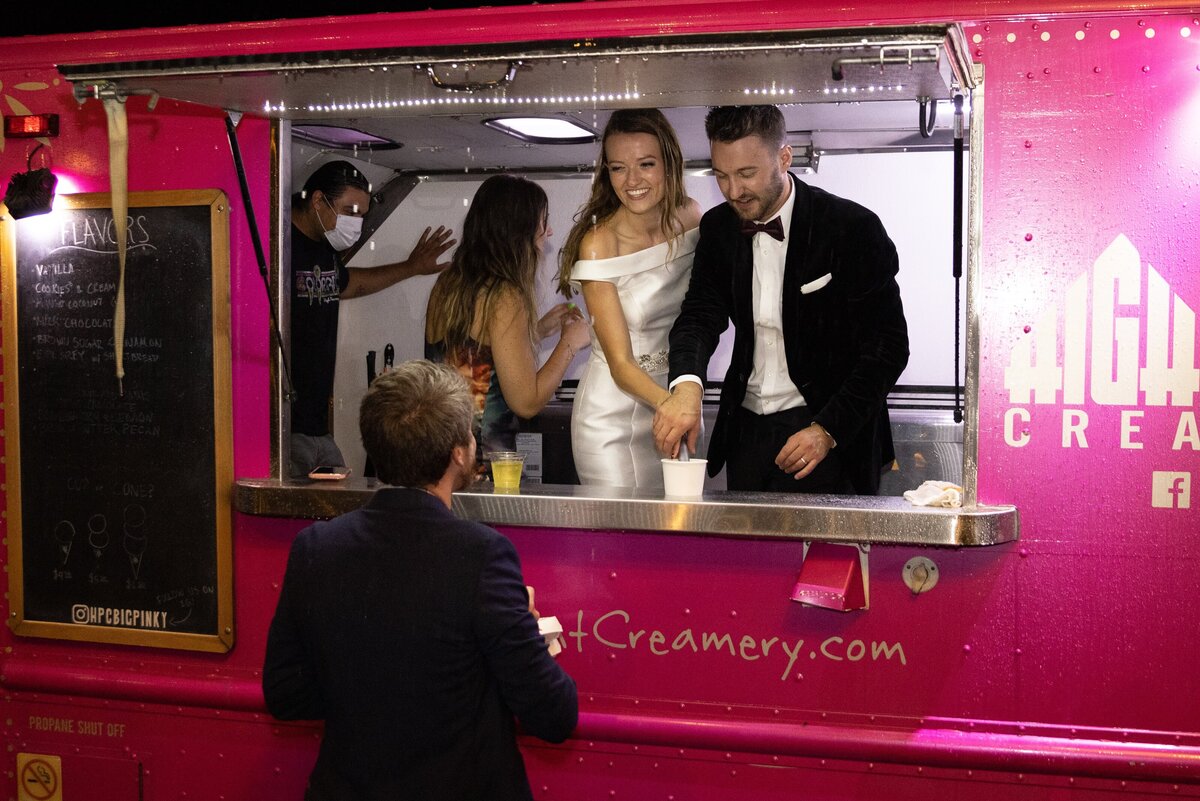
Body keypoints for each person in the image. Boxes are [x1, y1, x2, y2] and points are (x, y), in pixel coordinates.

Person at [263, 359, 578, 800]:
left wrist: (369, 685)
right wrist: (518, 634)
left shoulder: (316, 547)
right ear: (459, 453)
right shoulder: (483, 557)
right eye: (470, 433)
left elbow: (286, 694)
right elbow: (554, 714)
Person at [653, 105, 909, 495]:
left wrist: (827, 430)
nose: (733, 191)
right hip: (747, 434)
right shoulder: (719, 229)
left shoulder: (851, 227)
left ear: (784, 158)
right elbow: (699, 315)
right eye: (721, 175)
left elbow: (888, 347)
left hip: (826, 433)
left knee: (827, 556)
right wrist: (687, 384)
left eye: (746, 174)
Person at [558, 109, 702, 489]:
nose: (632, 181)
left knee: (676, 530)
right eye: (619, 168)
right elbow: (620, 364)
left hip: (672, 400)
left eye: (646, 164)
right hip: (612, 415)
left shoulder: (691, 217)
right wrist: (675, 406)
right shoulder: (598, 244)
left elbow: (703, 313)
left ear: (669, 163)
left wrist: (684, 397)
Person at [289, 159, 455, 478]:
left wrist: (411, 267)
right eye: (350, 211)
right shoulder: (281, 247)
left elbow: (349, 284)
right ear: (318, 200)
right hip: (285, 427)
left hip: (316, 427)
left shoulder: (324, 247)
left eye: (362, 215)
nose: (356, 223)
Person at [425, 174, 590, 475]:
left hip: (442, 466)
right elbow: (526, 402)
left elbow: (474, 357)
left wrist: (537, 330)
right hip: (486, 468)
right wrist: (570, 343)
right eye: (543, 222)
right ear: (518, 230)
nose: (548, 232)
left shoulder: (447, 284)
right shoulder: (505, 295)